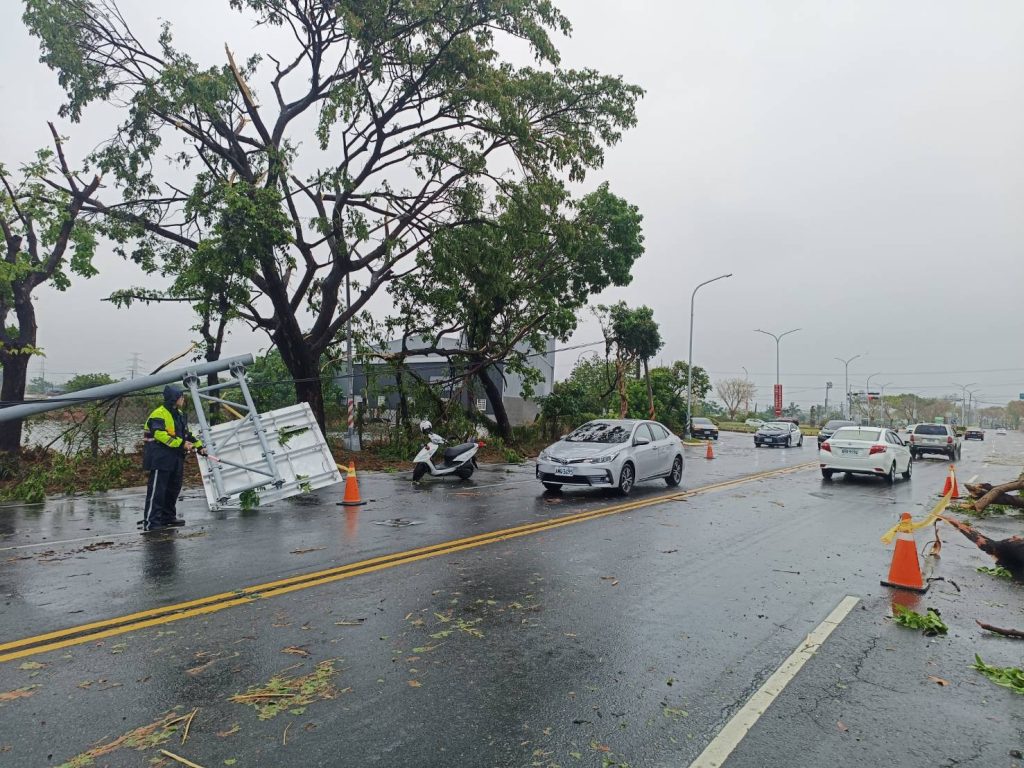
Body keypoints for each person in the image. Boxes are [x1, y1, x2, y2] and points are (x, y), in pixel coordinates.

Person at [141, 385, 204, 531]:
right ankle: (152, 522)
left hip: (175, 457)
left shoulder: (179, 414)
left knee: (173, 489)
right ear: (174, 398)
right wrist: (182, 444)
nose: (183, 399)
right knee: (158, 491)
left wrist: (199, 446)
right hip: (160, 458)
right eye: (181, 397)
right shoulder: (159, 414)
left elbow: (186, 434)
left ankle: (168, 518)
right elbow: (159, 434)